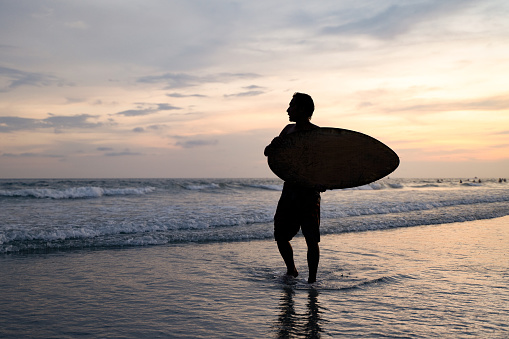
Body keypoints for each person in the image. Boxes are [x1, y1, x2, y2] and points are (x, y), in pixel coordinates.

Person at [264, 92, 323, 284]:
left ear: (303, 109)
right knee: (280, 234)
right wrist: (273, 145)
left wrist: (325, 182)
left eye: (292, 106)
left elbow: (325, 164)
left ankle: (312, 281)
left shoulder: (317, 134)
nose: (288, 109)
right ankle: (292, 270)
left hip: (309, 192)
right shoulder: (288, 131)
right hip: (289, 191)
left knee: (311, 239)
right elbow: (269, 153)